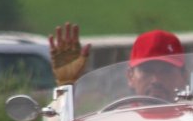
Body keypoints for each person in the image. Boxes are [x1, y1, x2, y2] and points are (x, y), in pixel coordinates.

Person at [48, 22, 186, 101]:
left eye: (166, 71)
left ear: (183, 77)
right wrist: (66, 86)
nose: (156, 79)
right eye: (147, 70)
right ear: (130, 76)